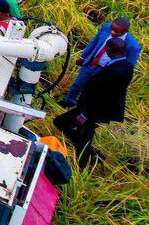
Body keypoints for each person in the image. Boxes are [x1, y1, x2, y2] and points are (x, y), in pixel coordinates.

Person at [53, 38, 134, 168]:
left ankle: (86, 162)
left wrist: (85, 114)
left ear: (108, 51)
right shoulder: (127, 66)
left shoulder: (113, 71)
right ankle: (93, 156)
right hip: (100, 110)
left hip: (93, 110)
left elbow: (102, 95)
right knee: (82, 134)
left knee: (64, 124)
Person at [60, 18, 140, 107]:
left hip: (105, 71)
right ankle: (68, 102)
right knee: (77, 84)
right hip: (91, 63)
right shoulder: (106, 27)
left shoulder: (132, 46)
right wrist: (82, 57)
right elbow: (94, 42)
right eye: (112, 29)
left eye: (117, 32)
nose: (113, 33)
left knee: (93, 92)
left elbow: (127, 67)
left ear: (125, 31)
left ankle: (83, 111)